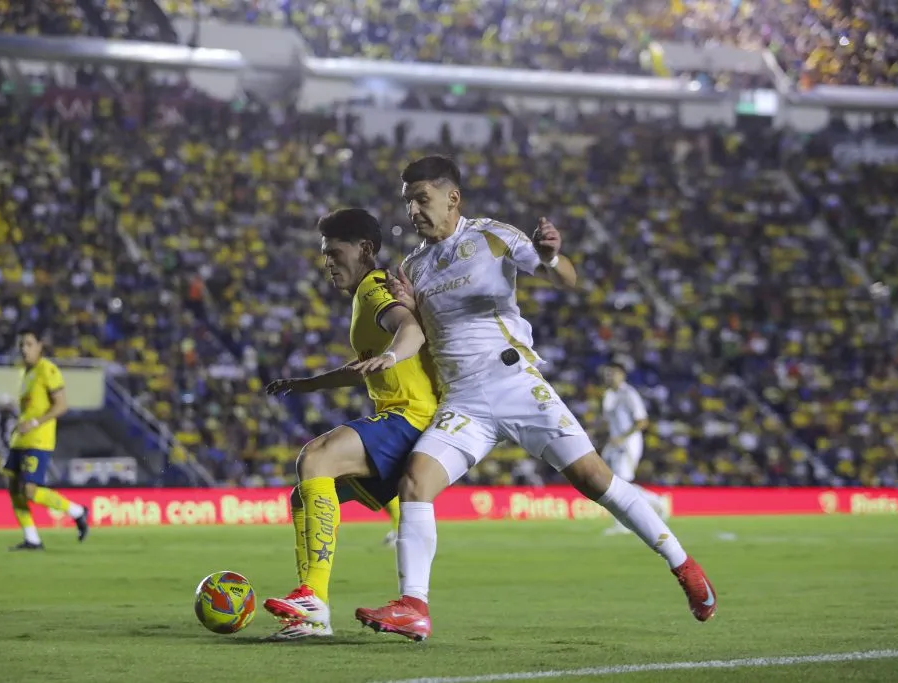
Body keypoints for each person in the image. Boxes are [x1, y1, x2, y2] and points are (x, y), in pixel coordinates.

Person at [355, 156, 717, 641]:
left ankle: (685, 567)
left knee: (595, 480)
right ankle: (413, 606)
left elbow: (564, 277)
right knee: (416, 483)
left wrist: (549, 256)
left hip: (515, 383)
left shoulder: (493, 236)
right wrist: (405, 307)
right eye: (408, 202)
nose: (414, 210)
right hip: (463, 401)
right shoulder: (413, 265)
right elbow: (421, 327)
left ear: (452, 197)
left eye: (422, 199)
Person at [262, 208, 439, 641]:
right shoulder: (365, 299)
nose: (327, 262)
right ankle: (311, 614)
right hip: (405, 420)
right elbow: (359, 367)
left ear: (364, 250)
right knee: (305, 495)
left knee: (316, 457)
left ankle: (312, 598)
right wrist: (305, 384)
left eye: (334, 252)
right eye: (324, 254)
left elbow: (408, 327)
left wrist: (395, 355)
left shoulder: (374, 289)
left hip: (410, 416)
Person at [4, 328, 89, 551]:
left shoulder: (47, 369)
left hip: (38, 440)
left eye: (29, 344)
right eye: (22, 344)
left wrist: (33, 423)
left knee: (30, 490)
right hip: (20, 440)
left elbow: (61, 405)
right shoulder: (27, 374)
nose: (24, 349)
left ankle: (77, 511)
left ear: (40, 346)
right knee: (14, 488)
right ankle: (31, 538)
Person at [601, 362, 669, 535]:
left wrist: (622, 438)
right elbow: (608, 422)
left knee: (621, 483)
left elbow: (642, 421)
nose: (609, 377)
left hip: (628, 443)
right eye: (608, 374)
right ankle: (656, 501)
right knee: (612, 483)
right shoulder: (609, 395)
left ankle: (630, 519)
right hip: (614, 443)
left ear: (622, 375)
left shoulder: (629, 394)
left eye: (613, 373)